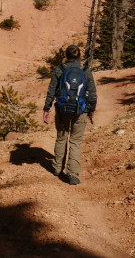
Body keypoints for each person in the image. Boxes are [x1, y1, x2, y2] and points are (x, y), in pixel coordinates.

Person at [42, 45, 97, 185]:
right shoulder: (85, 70)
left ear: (66, 55)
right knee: (76, 141)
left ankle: (57, 168)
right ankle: (72, 173)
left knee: (61, 138)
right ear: (79, 56)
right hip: (81, 110)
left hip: (62, 110)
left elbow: (51, 91)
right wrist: (91, 109)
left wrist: (46, 109)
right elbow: (92, 93)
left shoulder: (60, 69)